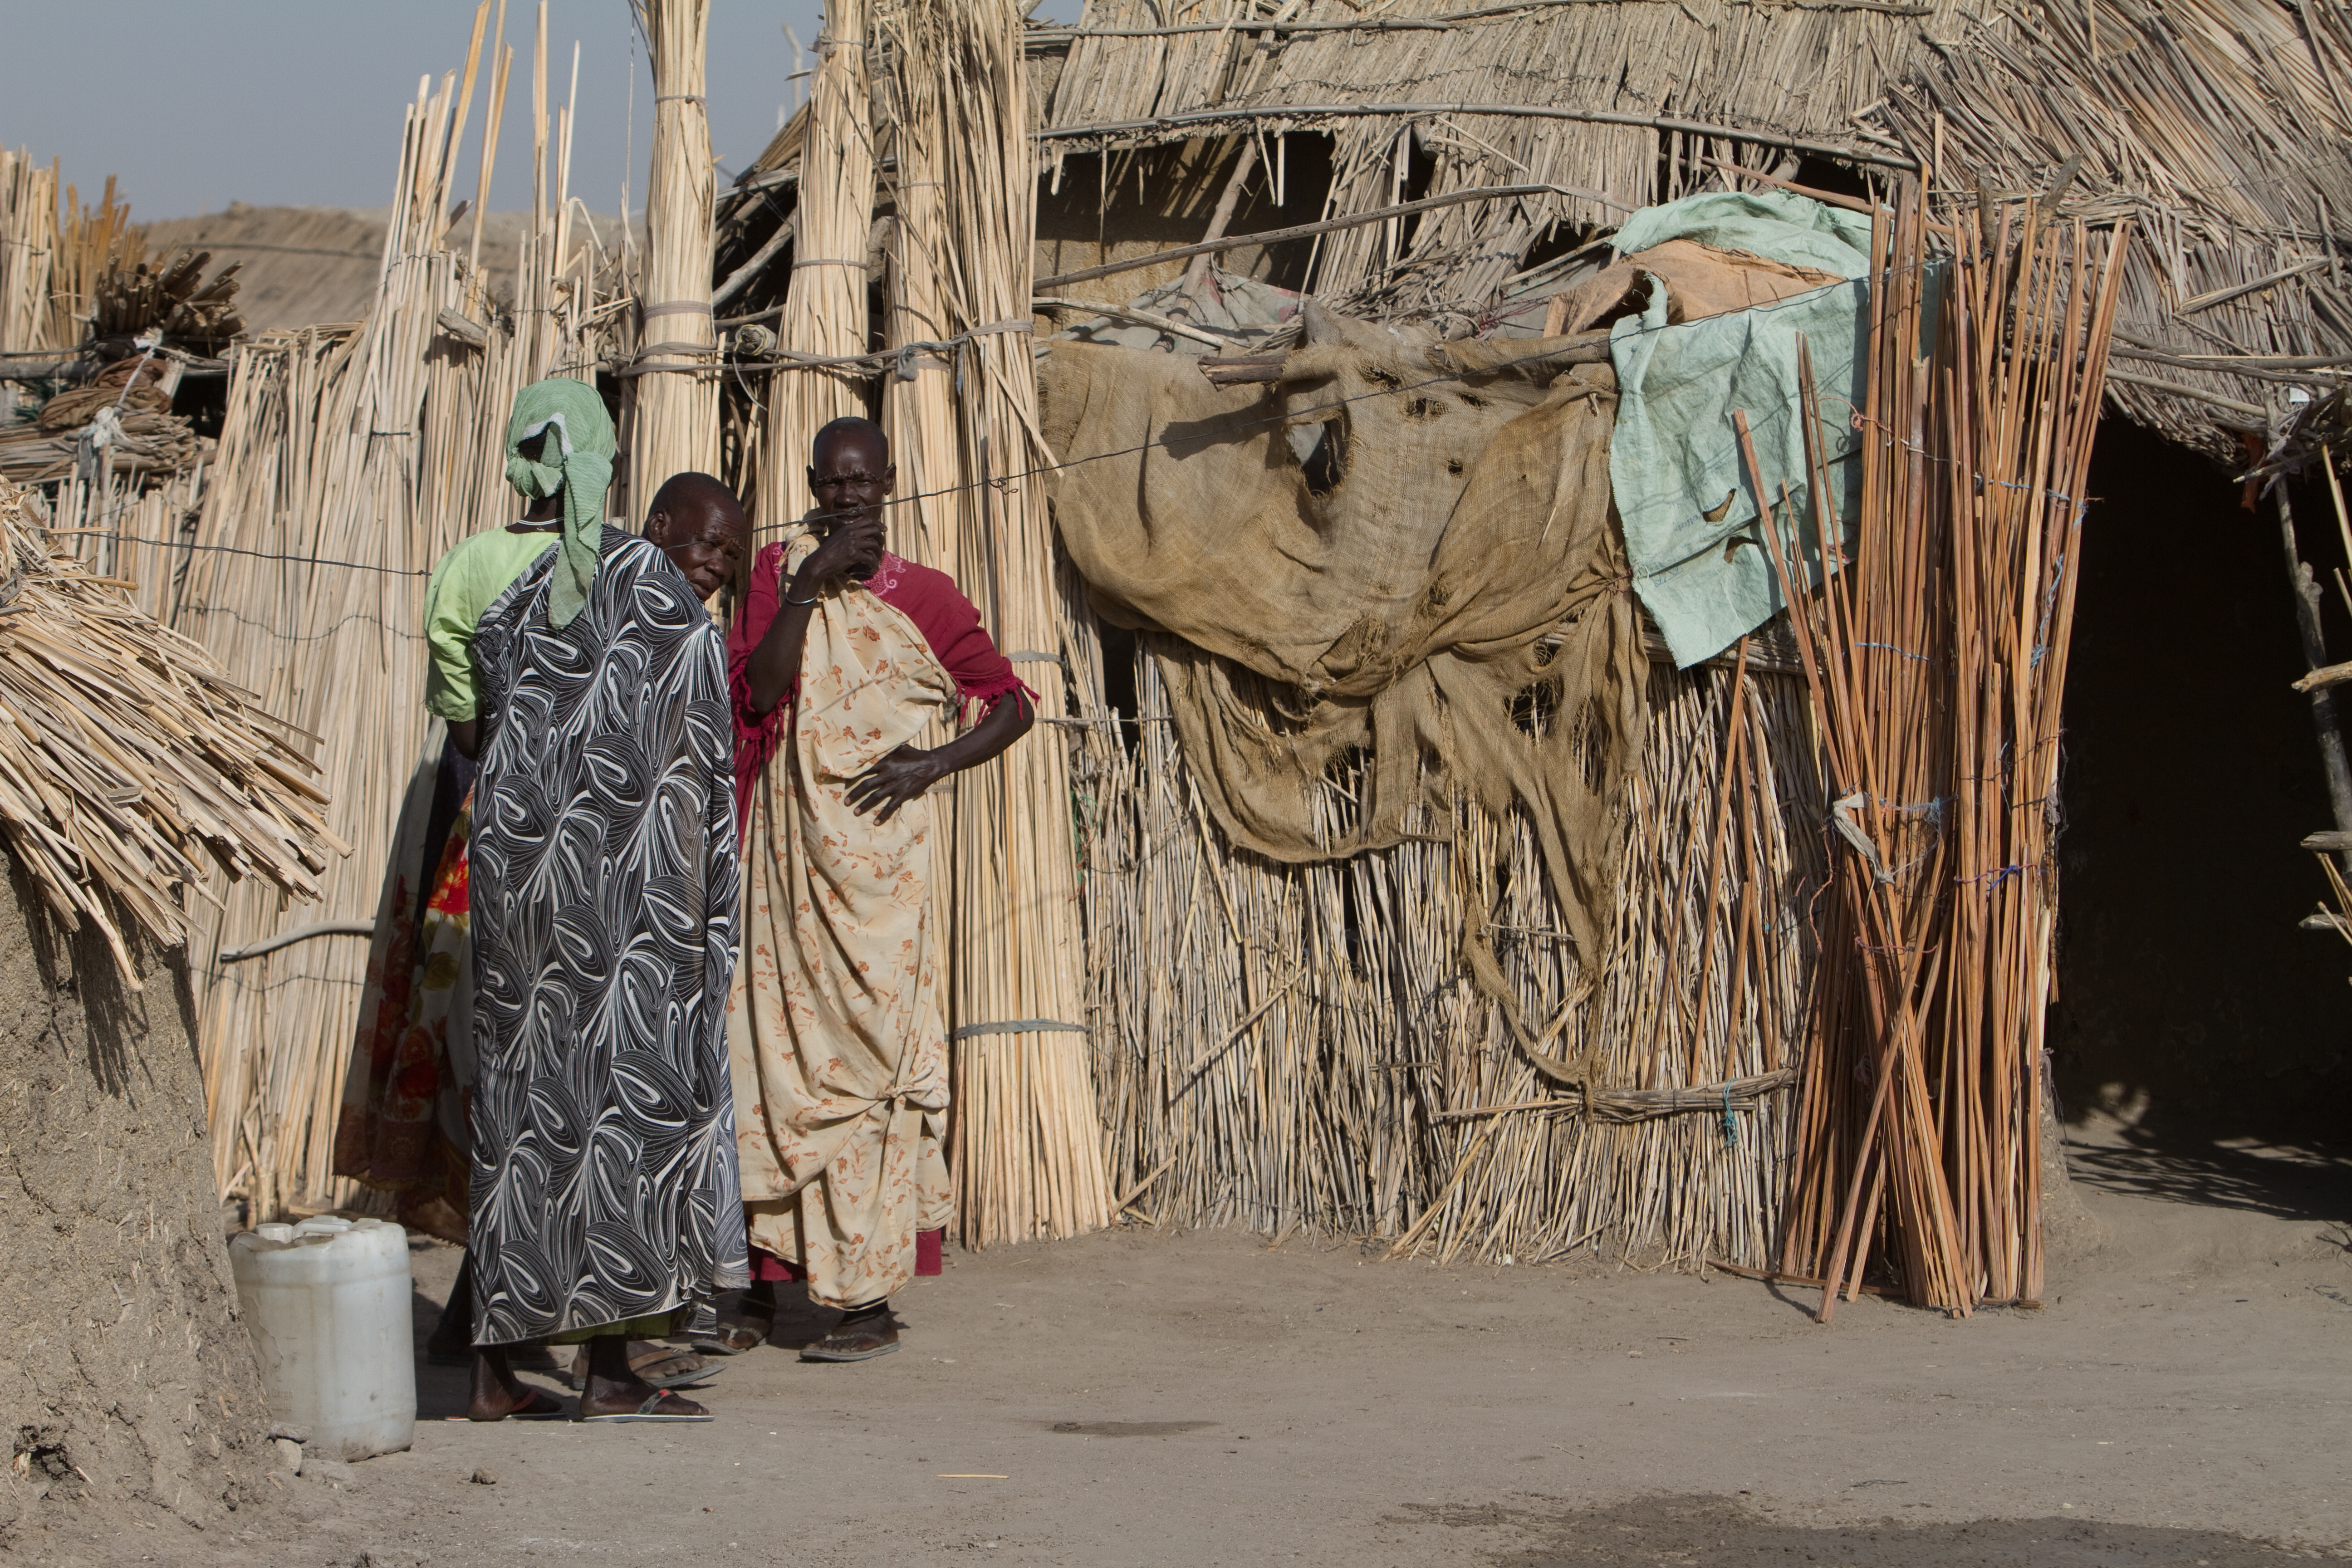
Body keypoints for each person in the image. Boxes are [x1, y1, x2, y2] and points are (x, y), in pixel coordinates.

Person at [460, 377, 750, 1421]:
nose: (712, 565)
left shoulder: (505, 579)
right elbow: (696, 777)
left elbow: (481, 717)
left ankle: (498, 1373)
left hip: (523, 894)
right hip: (632, 914)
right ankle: (615, 1376)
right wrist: (703, 926)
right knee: (630, 1117)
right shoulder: (665, 601)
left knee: (527, 1115)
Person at [725, 416, 1034, 1362]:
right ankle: (764, 1287)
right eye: (833, 483)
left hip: (886, 890)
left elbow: (1013, 704)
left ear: (891, 485)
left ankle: (866, 1307)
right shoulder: (778, 579)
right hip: (786, 874)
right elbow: (756, 697)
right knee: (773, 1065)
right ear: (814, 486)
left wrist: (931, 763)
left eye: (864, 483)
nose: (848, 497)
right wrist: (807, 592)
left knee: (870, 1075)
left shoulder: (929, 599)